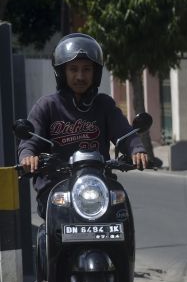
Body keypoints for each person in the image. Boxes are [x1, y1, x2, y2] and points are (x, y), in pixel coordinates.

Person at [18, 33, 148, 220]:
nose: (80, 76)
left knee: (121, 212)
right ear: (62, 72)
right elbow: (30, 139)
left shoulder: (104, 105)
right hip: (56, 187)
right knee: (55, 227)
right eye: (73, 69)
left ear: (95, 73)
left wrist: (137, 149)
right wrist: (28, 156)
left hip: (98, 185)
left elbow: (124, 133)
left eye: (86, 69)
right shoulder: (47, 106)